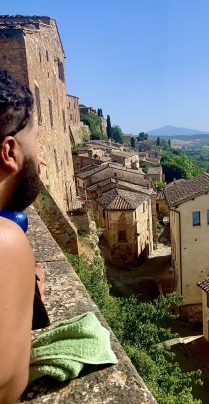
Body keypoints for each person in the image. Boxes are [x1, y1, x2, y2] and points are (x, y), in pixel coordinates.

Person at [0, 68, 46, 402]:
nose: (42, 159)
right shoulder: (5, 240)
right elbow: (12, 385)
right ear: (10, 152)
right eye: (37, 145)